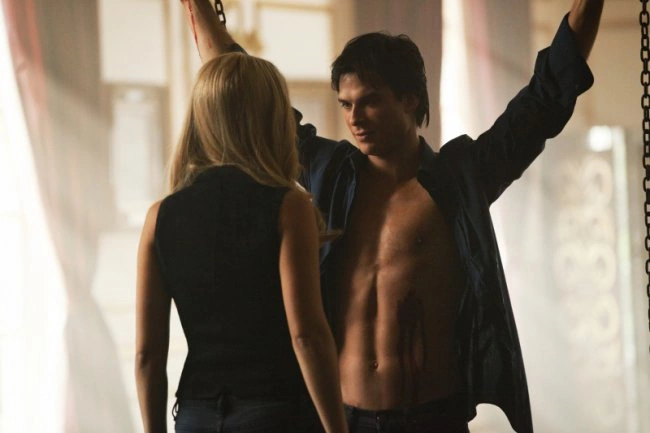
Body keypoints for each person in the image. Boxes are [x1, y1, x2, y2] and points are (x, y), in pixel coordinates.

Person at [180, 1, 603, 432]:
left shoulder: (460, 178)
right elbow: (246, 98)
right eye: (346, 105)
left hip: (431, 420)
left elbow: (544, 100)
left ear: (409, 99)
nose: (355, 118)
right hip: (344, 419)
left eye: (370, 102)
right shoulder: (331, 174)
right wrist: (198, 8)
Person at [134, 52, 348, 433]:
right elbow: (307, 336)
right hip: (275, 413)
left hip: (197, 414)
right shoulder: (289, 207)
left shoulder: (159, 217)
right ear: (270, 118)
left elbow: (147, 356)